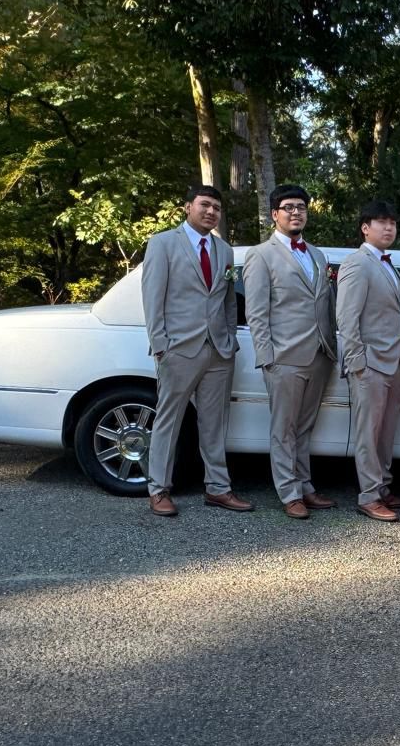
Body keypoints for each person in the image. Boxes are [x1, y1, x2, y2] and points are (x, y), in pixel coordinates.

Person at [140, 185, 252, 516]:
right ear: (188, 206)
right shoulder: (162, 243)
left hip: (219, 350)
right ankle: (159, 489)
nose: (211, 211)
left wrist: (230, 339)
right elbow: (152, 297)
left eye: (216, 207)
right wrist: (161, 346)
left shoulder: (224, 250)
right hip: (179, 348)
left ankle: (218, 488)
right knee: (168, 421)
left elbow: (228, 300)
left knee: (215, 423)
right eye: (205, 204)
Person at [242, 184, 339, 520]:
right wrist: (266, 357)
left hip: (320, 354)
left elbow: (326, 304)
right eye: (289, 207)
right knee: (283, 429)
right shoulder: (261, 255)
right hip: (283, 356)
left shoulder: (317, 255)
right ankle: (289, 492)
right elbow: (256, 312)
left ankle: (305, 486)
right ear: (275, 214)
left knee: (305, 427)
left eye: (301, 207)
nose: (296, 212)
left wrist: (331, 347)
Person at [335, 200, 400, 522]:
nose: (388, 228)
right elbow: (347, 318)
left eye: (392, 223)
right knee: (368, 433)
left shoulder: (388, 265)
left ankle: (382, 486)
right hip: (369, 362)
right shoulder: (357, 263)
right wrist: (357, 362)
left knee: (386, 432)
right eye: (382, 222)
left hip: (394, 362)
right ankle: (368, 496)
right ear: (365, 228)